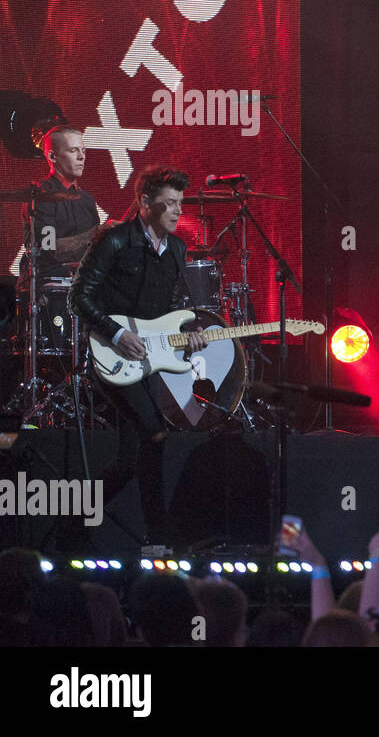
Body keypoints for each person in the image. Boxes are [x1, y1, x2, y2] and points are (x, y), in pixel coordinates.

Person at [70, 166, 206, 545]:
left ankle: (72, 524)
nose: (179, 211)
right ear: (145, 204)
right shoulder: (114, 240)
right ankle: (159, 536)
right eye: (170, 204)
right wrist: (116, 332)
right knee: (156, 433)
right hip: (110, 356)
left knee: (130, 460)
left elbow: (175, 309)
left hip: (149, 360)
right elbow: (79, 296)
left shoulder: (177, 249)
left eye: (181, 203)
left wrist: (191, 334)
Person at [26, 124, 105, 279]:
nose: (81, 157)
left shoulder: (87, 199)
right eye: (73, 150)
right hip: (52, 283)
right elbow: (48, 248)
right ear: (52, 157)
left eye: (83, 150)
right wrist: (94, 234)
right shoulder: (41, 197)